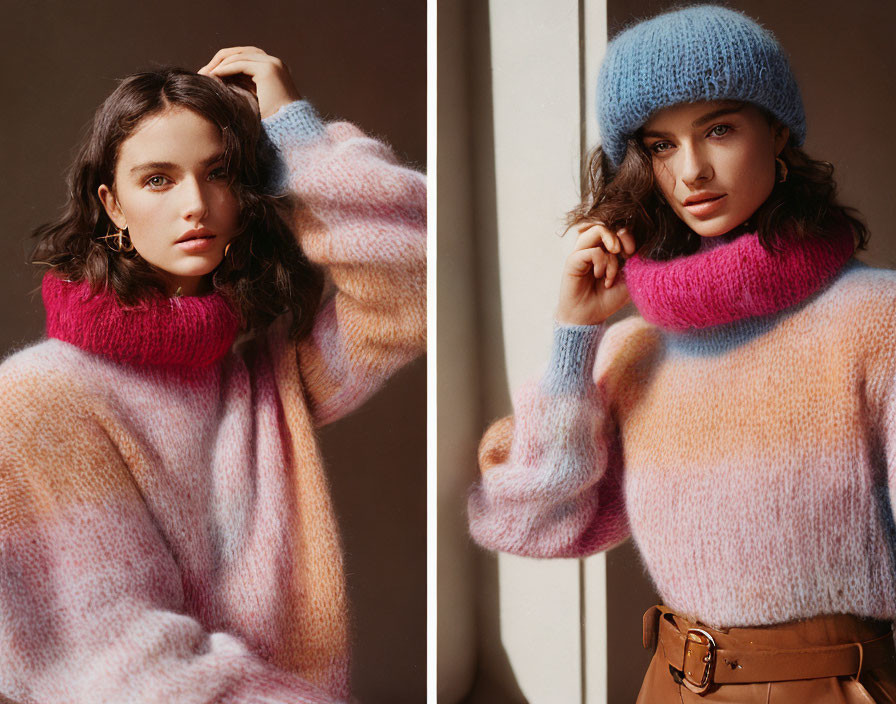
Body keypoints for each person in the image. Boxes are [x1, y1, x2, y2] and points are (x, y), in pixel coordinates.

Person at [467, 5, 896, 701]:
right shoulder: (635, 349)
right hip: (668, 685)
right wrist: (574, 336)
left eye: (719, 129)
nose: (692, 170)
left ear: (778, 130)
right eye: (660, 146)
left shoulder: (876, 318)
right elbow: (528, 524)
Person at [0, 47, 425, 703]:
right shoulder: (37, 400)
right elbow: (119, 666)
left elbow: (413, 285)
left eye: (218, 172)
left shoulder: (264, 378)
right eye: (159, 179)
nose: (196, 203)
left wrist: (295, 127)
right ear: (111, 204)